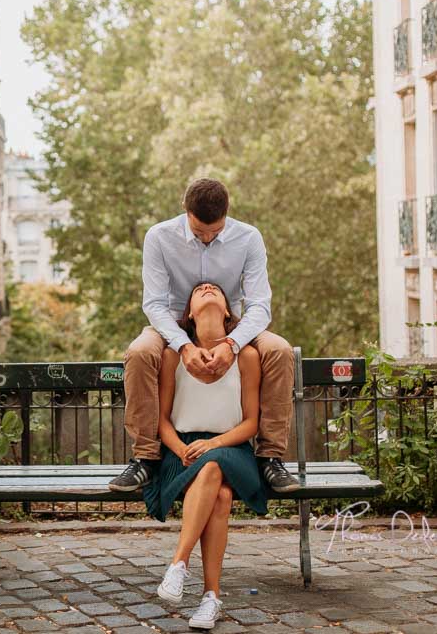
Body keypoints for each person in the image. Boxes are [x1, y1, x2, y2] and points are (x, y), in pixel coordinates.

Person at [109, 178, 299, 494]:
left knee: (279, 349)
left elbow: (260, 305)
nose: (208, 238)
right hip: (171, 323)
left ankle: (270, 458)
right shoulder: (159, 237)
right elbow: (154, 304)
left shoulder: (249, 238)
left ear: (227, 215)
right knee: (140, 352)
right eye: (200, 233)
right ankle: (145, 458)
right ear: (186, 212)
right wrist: (183, 344)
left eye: (216, 232)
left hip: (232, 324)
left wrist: (233, 342)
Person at [144, 281, 268, 629]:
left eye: (216, 289)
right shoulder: (174, 355)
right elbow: (163, 421)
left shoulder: (246, 356)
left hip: (231, 447)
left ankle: (178, 564)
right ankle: (210, 597)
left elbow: (251, 423)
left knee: (213, 465)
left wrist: (214, 445)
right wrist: (181, 448)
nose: (208, 288)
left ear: (228, 311)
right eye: (199, 290)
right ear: (189, 314)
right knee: (220, 494)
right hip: (181, 450)